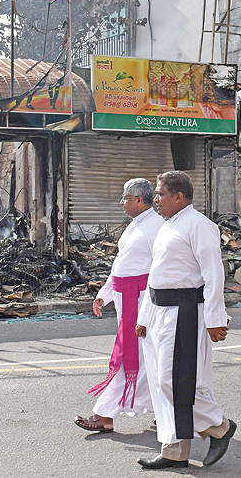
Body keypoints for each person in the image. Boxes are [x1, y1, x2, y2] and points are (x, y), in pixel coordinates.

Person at [135, 171, 235, 469]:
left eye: (160, 194)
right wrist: (144, 315)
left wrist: (216, 317)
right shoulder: (168, 226)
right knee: (161, 382)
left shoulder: (199, 225)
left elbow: (213, 273)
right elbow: (157, 275)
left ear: (179, 197)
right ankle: (174, 451)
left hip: (184, 313)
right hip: (160, 312)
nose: (155, 200)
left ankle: (219, 428)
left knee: (175, 381)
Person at [74, 178, 164, 433]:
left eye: (125, 197)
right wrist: (105, 293)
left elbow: (160, 269)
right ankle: (164, 411)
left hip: (143, 303)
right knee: (148, 360)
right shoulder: (135, 226)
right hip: (127, 299)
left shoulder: (156, 227)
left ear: (138, 199)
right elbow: (121, 268)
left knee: (134, 360)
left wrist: (148, 306)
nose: (121, 202)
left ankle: (104, 415)